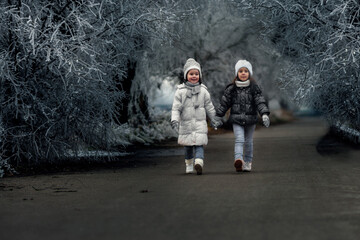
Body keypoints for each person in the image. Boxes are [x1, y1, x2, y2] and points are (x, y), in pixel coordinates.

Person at [216, 60, 270, 172]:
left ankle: (248, 162)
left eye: (246, 71)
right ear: (237, 73)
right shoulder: (232, 89)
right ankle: (239, 160)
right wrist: (218, 116)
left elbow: (260, 102)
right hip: (236, 119)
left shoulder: (254, 88)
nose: (243, 73)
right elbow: (224, 103)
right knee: (239, 140)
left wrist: (264, 114)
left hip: (251, 119)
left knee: (249, 141)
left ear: (250, 73)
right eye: (241, 71)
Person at [171, 58, 221, 175]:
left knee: (199, 145)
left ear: (200, 75)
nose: (194, 76)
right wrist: (174, 120)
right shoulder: (180, 91)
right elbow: (176, 108)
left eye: (196, 74)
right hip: (186, 125)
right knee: (188, 147)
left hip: (199, 124)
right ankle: (189, 165)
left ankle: (199, 162)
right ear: (186, 75)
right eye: (191, 74)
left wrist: (214, 118)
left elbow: (209, 106)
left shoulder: (204, 91)